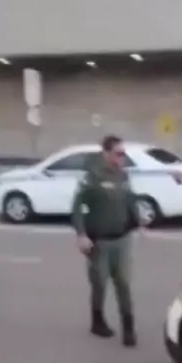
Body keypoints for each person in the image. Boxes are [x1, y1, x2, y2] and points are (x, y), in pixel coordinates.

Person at [72, 135, 141, 346]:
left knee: (124, 284)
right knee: (99, 284)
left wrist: (138, 221)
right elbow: (77, 207)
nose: (122, 158)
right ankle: (97, 321)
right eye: (119, 154)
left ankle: (128, 329)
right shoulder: (92, 177)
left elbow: (130, 200)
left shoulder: (123, 176)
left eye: (124, 154)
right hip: (99, 242)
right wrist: (81, 234)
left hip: (122, 239)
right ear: (106, 153)